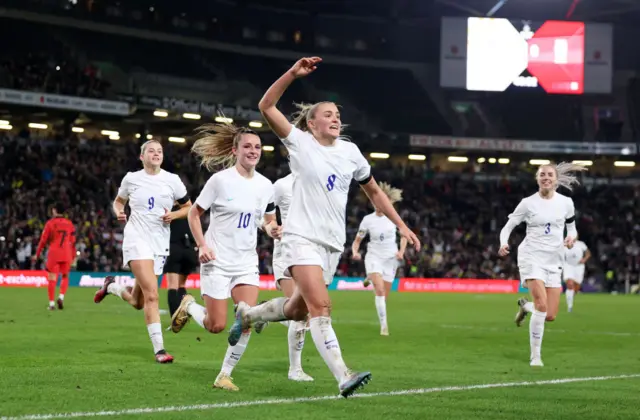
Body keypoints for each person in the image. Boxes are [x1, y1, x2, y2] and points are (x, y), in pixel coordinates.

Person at [228, 56, 421, 398]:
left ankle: (249, 315)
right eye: (328, 114)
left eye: (338, 115)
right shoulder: (300, 143)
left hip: (332, 243)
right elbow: (266, 105)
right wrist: (292, 73)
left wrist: (402, 225)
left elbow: (374, 191)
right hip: (300, 238)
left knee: (297, 309)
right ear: (312, 123)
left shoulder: (351, 152)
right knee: (321, 306)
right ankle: (343, 375)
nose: (336, 119)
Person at [169, 123, 282, 391]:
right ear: (235, 150)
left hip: (245, 262)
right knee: (216, 325)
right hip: (216, 260)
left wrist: (272, 229)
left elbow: (266, 220)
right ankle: (189, 306)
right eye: (247, 146)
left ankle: (224, 375)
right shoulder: (220, 180)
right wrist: (202, 245)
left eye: (257, 147)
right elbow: (194, 214)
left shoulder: (266, 185)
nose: (253, 151)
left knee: (246, 318)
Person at [93, 139, 191, 364]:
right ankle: (160, 350)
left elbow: (188, 208)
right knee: (153, 295)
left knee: (138, 301)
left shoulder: (173, 180)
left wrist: (173, 215)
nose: (156, 154)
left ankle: (112, 286)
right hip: (137, 240)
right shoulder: (132, 178)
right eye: (151, 151)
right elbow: (118, 202)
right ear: (142, 156)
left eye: (159, 151)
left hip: (159, 244)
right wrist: (118, 211)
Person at [499, 162, 587, 367]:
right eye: (542, 175)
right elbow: (508, 226)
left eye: (550, 174)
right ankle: (535, 356)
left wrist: (571, 238)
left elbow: (572, 229)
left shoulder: (566, 203)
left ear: (556, 180)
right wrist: (503, 243)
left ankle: (524, 307)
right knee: (541, 304)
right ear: (537, 179)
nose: (546, 177)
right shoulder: (528, 203)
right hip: (531, 256)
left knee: (550, 315)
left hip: (554, 259)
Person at [271, 172, 314, 381]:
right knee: (300, 315)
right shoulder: (281, 185)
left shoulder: (316, 182)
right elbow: (263, 212)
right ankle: (295, 369)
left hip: (309, 252)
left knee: (301, 314)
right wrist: (271, 228)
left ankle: (263, 313)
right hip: (285, 251)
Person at [351, 182, 407, 336]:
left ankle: (370, 276)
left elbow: (404, 236)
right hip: (374, 256)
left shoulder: (394, 218)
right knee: (380, 291)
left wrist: (401, 251)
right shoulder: (367, 220)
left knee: (384, 296)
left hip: (390, 258)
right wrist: (355, 252)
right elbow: (357, 241)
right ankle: (384, 327)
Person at [34, 202, 76, 310]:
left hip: (54, 253)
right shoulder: (69, 224)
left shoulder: (50, 223)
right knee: (65, 276)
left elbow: (43, 241)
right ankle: (61, 296)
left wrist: (37, 254)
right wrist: (73, 255)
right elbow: (73, 241)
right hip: (66, 253)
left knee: (52, 278)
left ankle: (52, 304)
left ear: (54, 210)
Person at [164, 200, 199, 318]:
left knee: (172, 285)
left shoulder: (169, 213)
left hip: (174, 248)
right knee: (182, 285)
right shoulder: (190, 213)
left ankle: (175, 318)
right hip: (190, 250)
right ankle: (184, 314)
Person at [563, 240, 590, 312]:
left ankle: (570, 297)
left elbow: (588, 253)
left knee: (576, 287)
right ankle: (570, 306)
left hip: (579, 266)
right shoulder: (564, 243)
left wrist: (584, 259)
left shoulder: (581, 244)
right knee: (570, 283)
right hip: (568, 265)